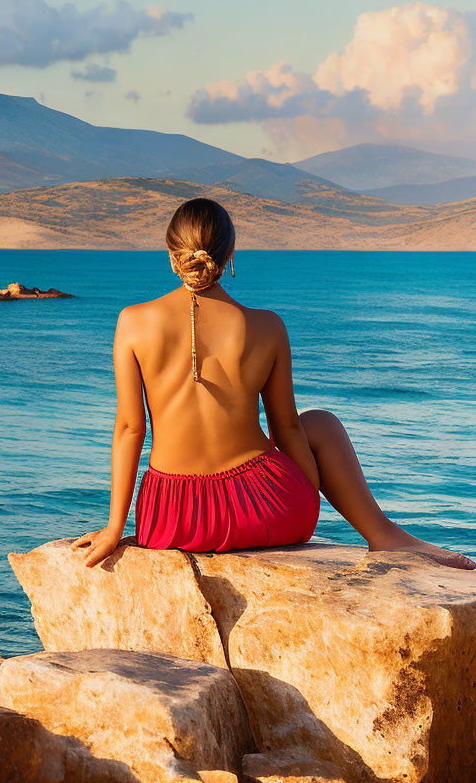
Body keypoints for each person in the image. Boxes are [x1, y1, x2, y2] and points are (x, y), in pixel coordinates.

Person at [71, 198, 474, 570]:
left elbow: (130, 428)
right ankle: (385, 536)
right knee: (319, 422)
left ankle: (387, 537)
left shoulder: (132, 322)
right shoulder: (266, 326)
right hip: (268, 512)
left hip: (172, 524)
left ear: (171, 255)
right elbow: (288, 428)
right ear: (230, 255)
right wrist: (308, 487)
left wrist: (113, 530)